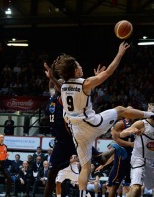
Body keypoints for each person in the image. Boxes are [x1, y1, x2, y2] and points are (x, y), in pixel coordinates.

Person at [52, 42, 154, 197]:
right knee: (120, 109)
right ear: (74, 69)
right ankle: (150, 114)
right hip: (91, 124)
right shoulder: (85, 83)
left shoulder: (64, 86)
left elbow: (79, 93)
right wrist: (120, 53)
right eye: (79, 66)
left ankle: (81, 194)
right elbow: (108, 73)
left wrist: (95, 78)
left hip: (77, 131)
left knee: (86, 167)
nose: (81, 67)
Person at [43, 62, 128, 197]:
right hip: (61, 142)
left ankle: (115, 148)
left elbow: (80, 93)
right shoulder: (52, 98)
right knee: (51, 174)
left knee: (101, 161)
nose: (60, 85)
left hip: (75, 137)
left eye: (61, 84)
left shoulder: (65, 99)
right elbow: (52, 88)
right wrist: (51, 77)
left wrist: (54, 78)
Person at [106, 115, 134, 197]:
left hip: (131, 157)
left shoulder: (134, 124)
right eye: (131, 112)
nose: (133, 114)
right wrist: (130, 144)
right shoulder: (120, 124)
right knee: (115, 185)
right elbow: (116, 139)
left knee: (129, 185)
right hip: (121, 156)